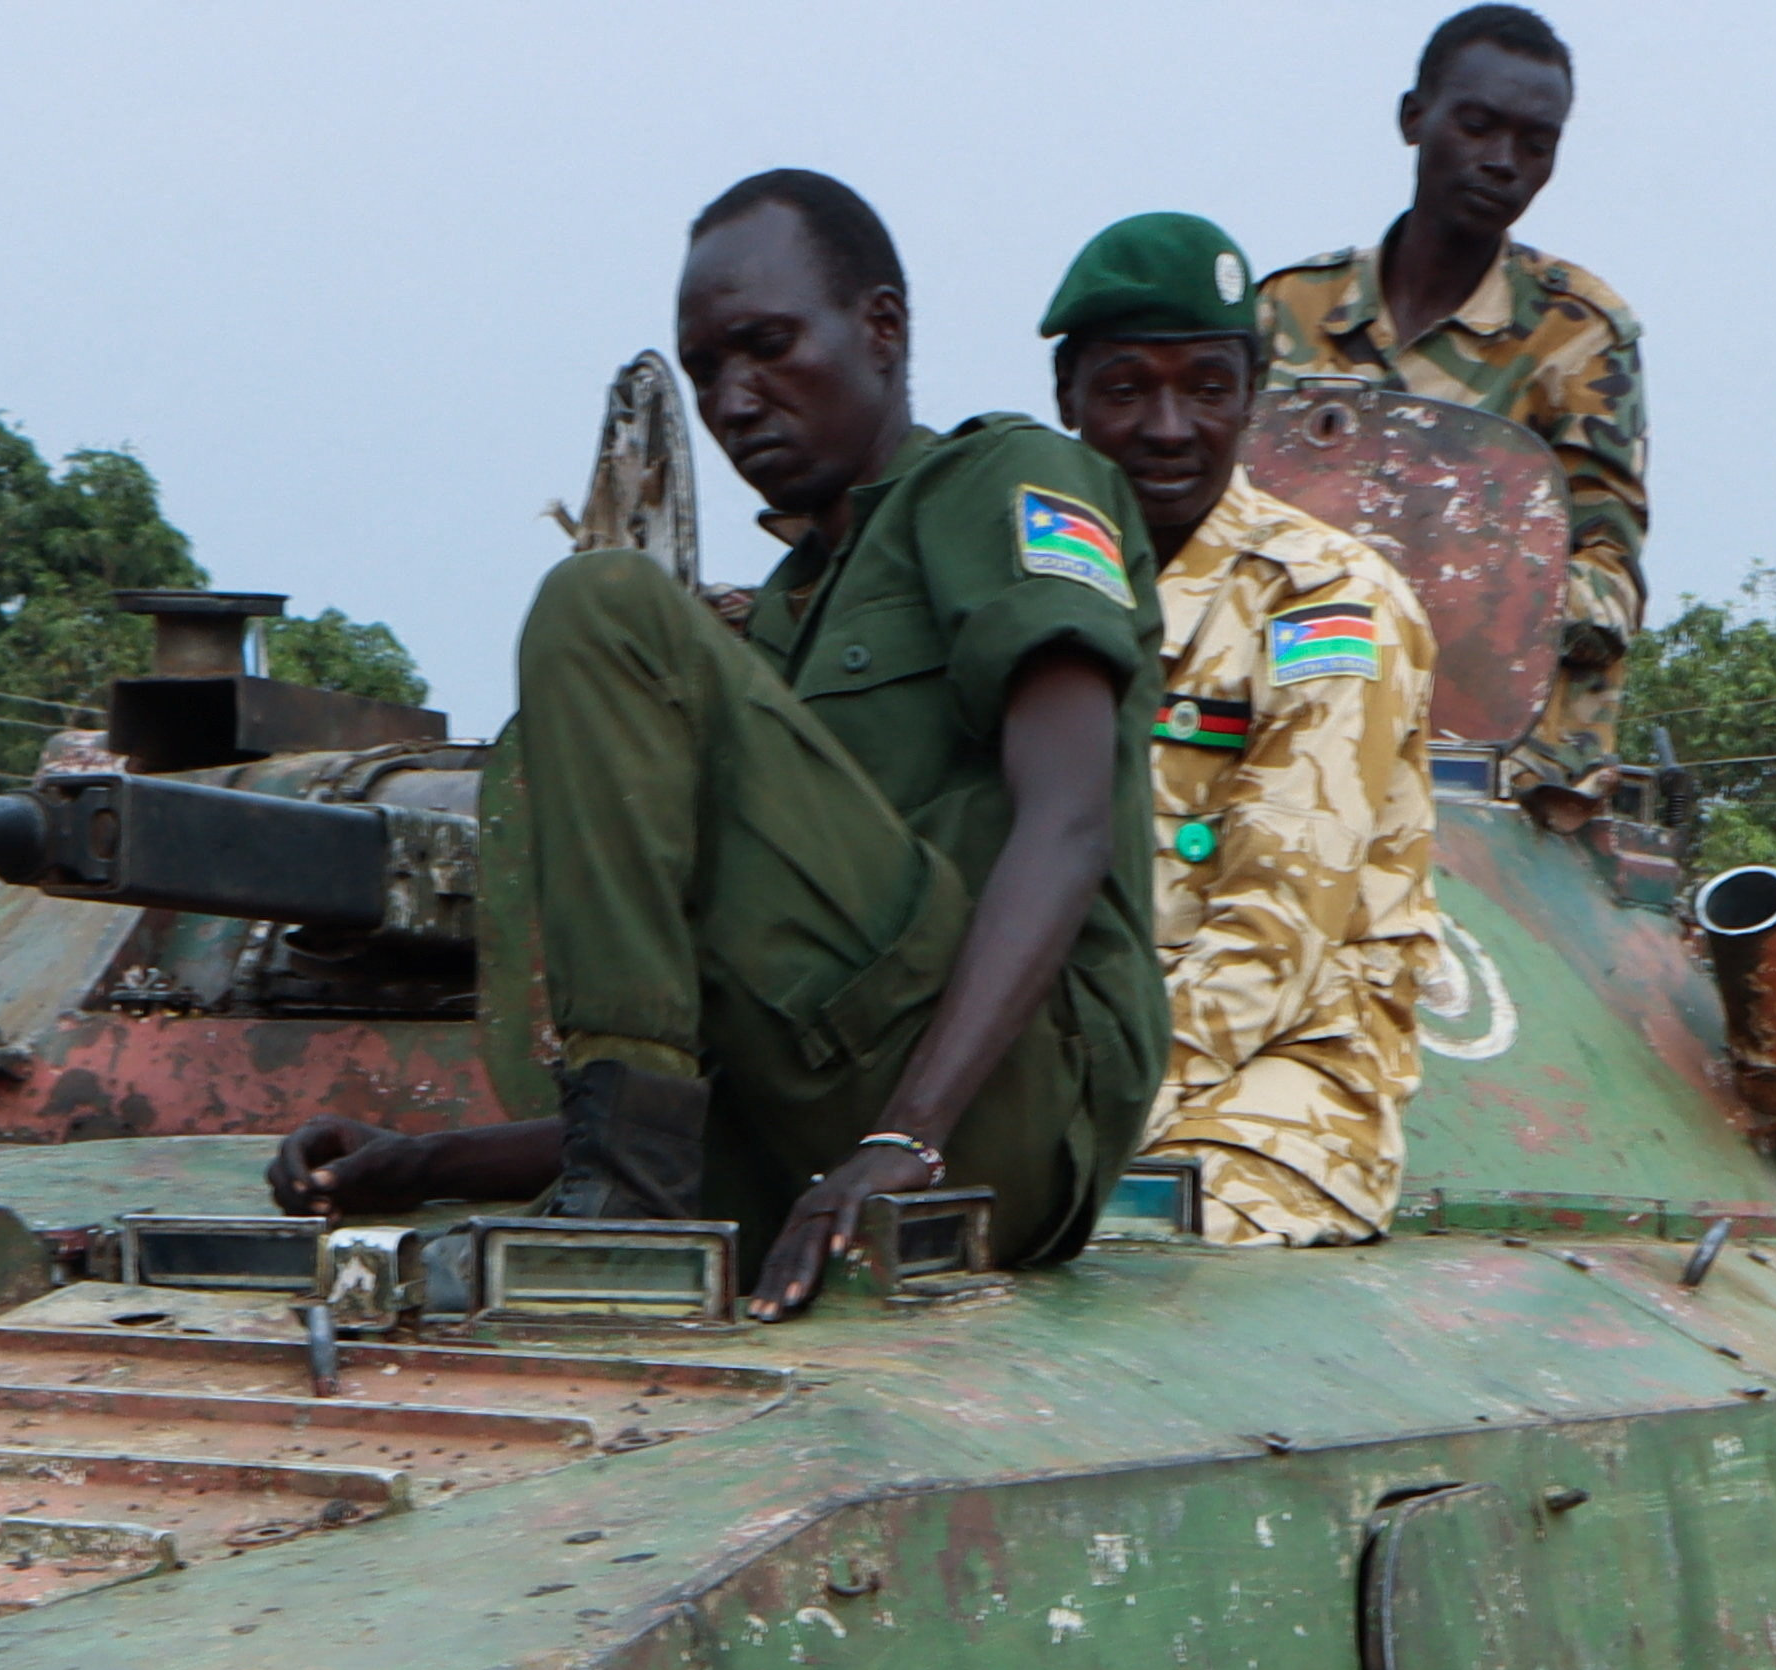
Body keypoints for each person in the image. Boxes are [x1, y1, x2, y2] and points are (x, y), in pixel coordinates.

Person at [270, 169, 1156, 1316]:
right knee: (601, 683)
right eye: (706, 373)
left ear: (882, 328)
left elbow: (1070, 817)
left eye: (768, 346)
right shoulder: (778, 624)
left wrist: (911, 1136)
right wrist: (419, 1165)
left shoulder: (1006, 482)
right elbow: (717, 1072)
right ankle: (619, 1202)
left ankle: (627, 1208)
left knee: (600, 605)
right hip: (839, 1127)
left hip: (1007, 1112)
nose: (735, 401)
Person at [1044, 208, 1446, 1244]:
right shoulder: (1031, 580)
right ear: (1068, 398)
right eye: (1128, 389)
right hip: (1054, 1063)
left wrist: (1061, 1124)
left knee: (1125, 1263)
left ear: (1251, 399)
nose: (1170, 427)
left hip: (1286, 1085)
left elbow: (1272, 931)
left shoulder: (1323, 602)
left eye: (1207, 389)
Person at [1253, 5, 1642, 820]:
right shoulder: (1286, 311)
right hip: (1282, 711)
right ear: (1413, 119)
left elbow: (1609, 578)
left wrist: (1473, 585)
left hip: (1498, 762)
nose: (1501, 163)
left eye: (1535, 146)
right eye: (1476, 126)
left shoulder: (1575, 339)